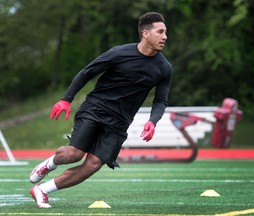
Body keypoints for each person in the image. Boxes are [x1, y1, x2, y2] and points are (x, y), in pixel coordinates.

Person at [29, 11, 172, 208]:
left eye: (165, 32)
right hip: (96, 108)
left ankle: (42, 190)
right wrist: (66, 100)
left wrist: (152, 121)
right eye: (160, 32)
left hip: (120, 121)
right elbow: (87, 72)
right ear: (145, 33)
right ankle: (50, 164)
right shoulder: (119, 53)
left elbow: (161, 101)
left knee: (93, 165)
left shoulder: (164, 68)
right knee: (74, 154)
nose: (164, 36)